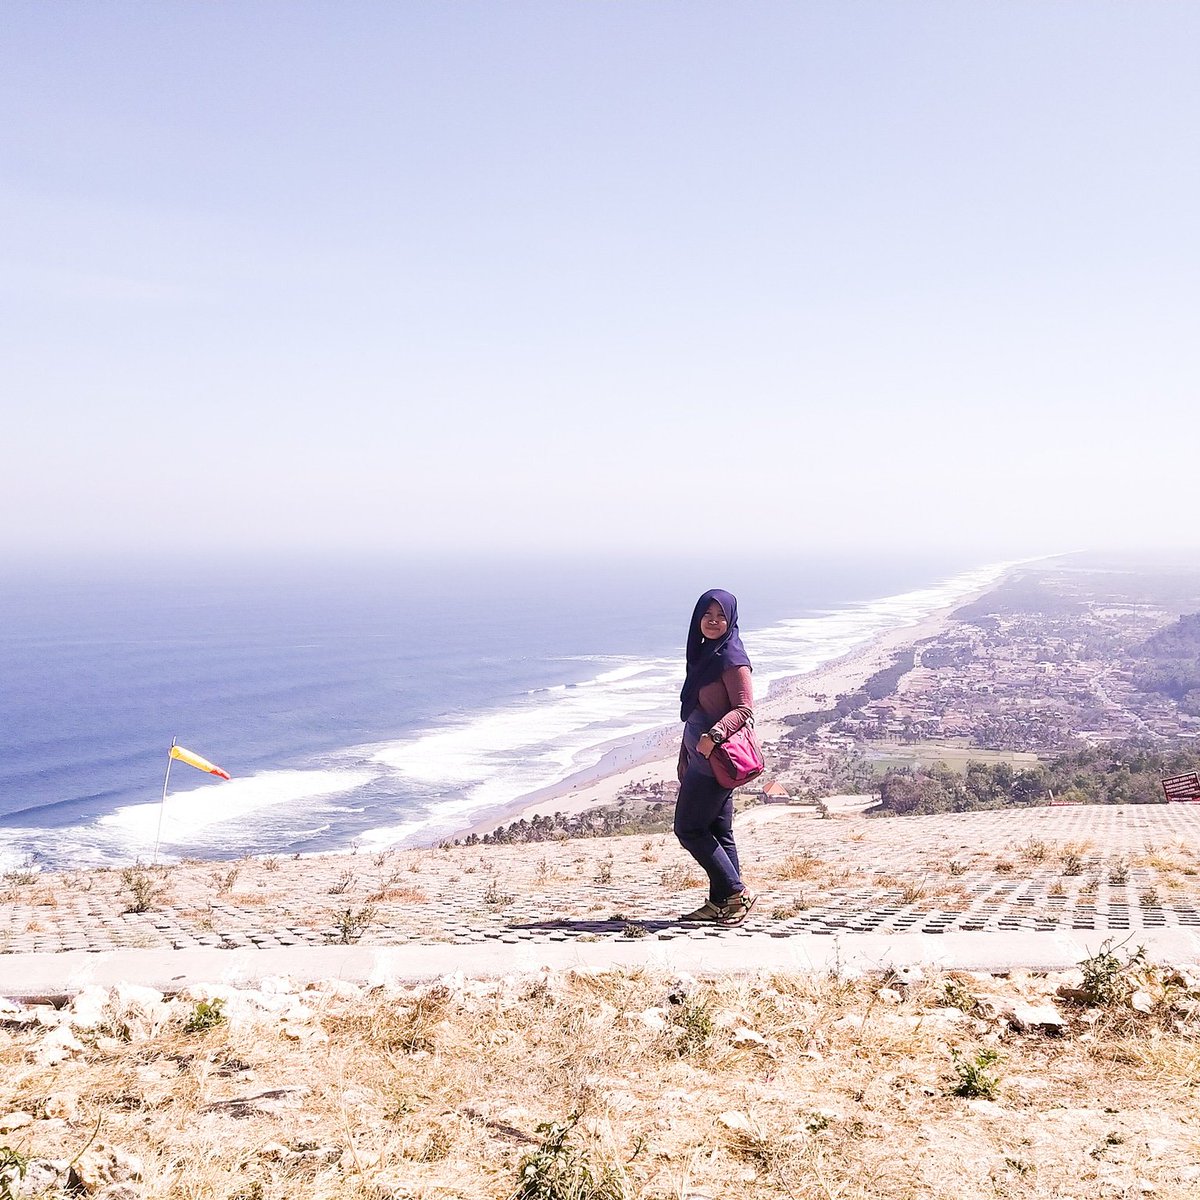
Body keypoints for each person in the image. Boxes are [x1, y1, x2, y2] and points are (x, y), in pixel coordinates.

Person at [674, 588, 757, 924]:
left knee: (689, 828)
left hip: (715, 759)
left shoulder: (731, 658)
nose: (713, 621)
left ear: (731, 619)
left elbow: (743, 708)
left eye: (720, 615)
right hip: (700, 756)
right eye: (707, 615)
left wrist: (713, 737)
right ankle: (720, 903)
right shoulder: (704, 655)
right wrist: (685, 751)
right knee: (719, 831)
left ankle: (737, 892)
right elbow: (695, 709)